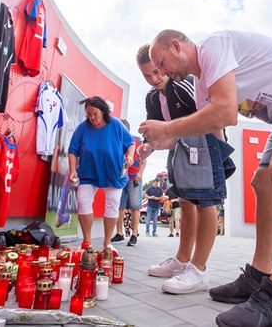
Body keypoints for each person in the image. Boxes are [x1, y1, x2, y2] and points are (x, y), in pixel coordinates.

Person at [140, 29, 272, 327]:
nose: (161, 72)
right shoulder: (202, 88)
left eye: (161, 64)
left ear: (176, 46)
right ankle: (259, 276)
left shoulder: (212, 47)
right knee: (262, 181)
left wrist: (167, 128)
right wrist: (155, 143)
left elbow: (226, 113)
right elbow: (207, 126)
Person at [135, 44, 221, 295]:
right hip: (179, 148)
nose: (154, 79)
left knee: (206, 201)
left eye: (156, 72)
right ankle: (182, 260)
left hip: (206, 143)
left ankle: (199, 269)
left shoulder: (184, 84)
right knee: (185, 201)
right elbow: (154, 133)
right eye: (146, 76)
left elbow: (211, 112)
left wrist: (218, 151)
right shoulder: (151, 97)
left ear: (163, 66)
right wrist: (146, 148)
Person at [68, 96, 135, 252]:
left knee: (112, 205)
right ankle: (87, 242)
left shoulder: (116, 124)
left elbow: (130, 142)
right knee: (83, 202)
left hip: (113, 173)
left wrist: (130, 156)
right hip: (88, 172)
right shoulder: (83, 127)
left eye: (95, 114)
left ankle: (107, 243)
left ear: (104, 112)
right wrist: (72, 170)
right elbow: (73, 150)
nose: (92, 117)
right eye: (89, 114)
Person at [111, 119, 146, 246]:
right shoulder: (115, 141)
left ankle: (134, 234)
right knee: (119, 206)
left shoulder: (137, 141)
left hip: (134, 178)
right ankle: (120, 233)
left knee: (135, 206)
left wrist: (140, 173)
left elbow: (144, 159)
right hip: (120, 178)